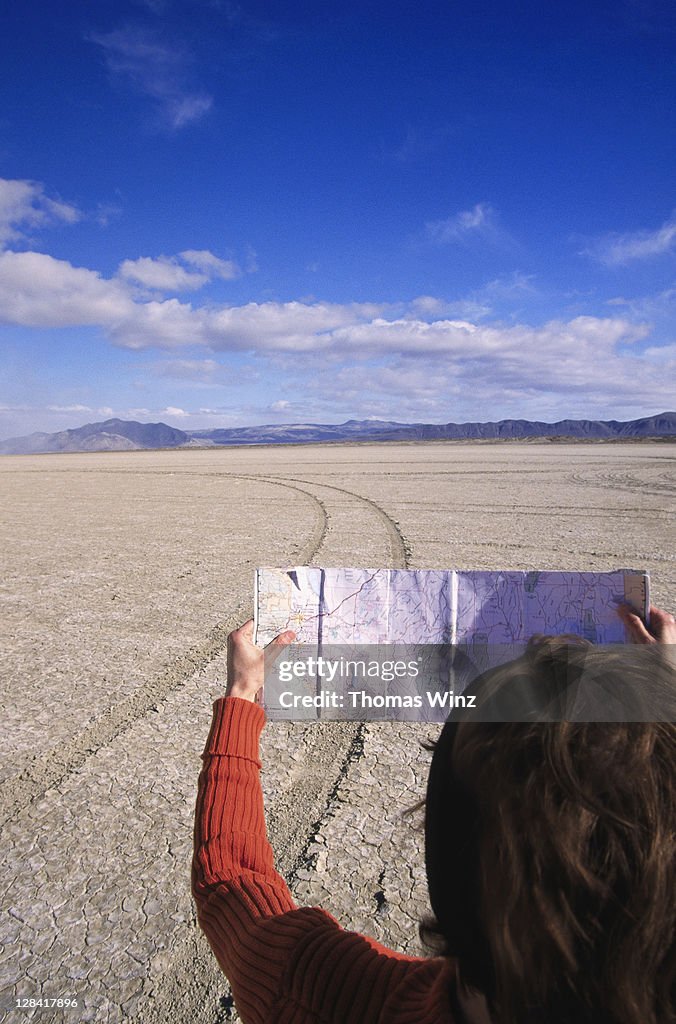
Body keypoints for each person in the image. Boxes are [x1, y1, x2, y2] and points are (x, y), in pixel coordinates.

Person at [191, 605, 676, 1024]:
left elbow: (231, 879)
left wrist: (241, 696)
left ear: (449, 855)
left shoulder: (328, 995)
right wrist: (660, 710)